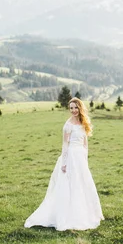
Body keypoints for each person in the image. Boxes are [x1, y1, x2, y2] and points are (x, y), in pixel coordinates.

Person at [25, 98, 103, 231]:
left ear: (80, 108)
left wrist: (85, 158)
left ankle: (85, 213)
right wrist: (65, 162)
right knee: (69, 185)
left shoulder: (83, 122)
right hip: (71, 156)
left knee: (82, 184)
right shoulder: (68, 125)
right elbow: (65, 144)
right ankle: (68, 215)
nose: (73, 110)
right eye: (71, 108)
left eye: (75, 108)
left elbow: (85, 143)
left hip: (80, 158)